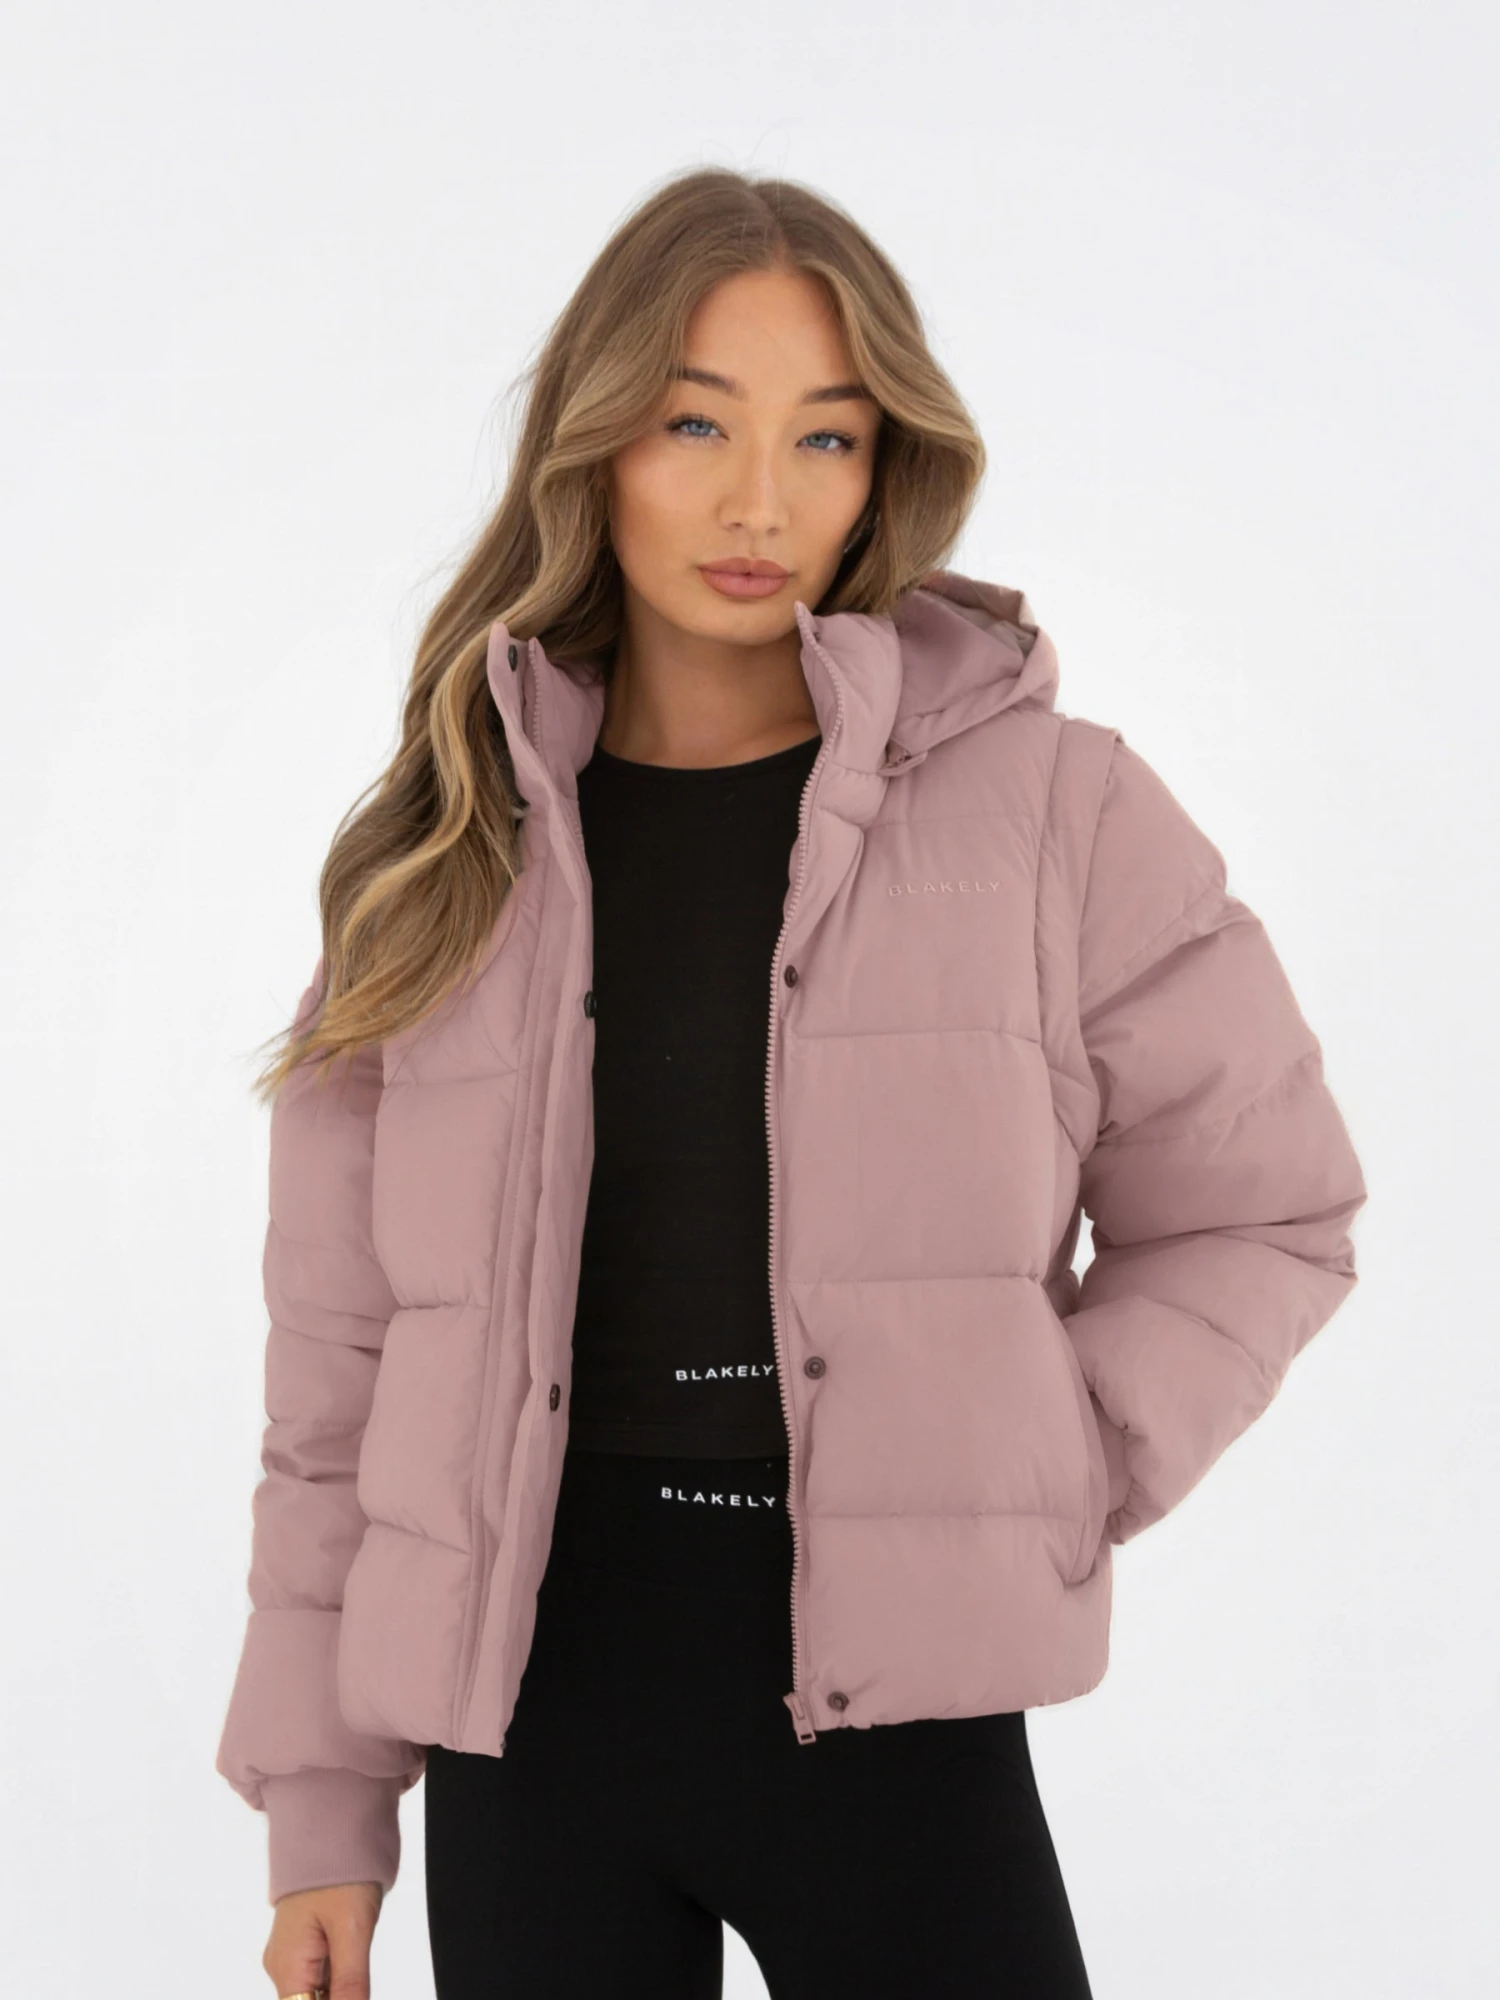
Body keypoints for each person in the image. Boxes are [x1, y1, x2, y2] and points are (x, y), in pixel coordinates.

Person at [216, 167, 1367, 2000]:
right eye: (696, 423)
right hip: (529, 1728)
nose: (761, 500)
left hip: (895, 1732)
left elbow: (1266, 1211)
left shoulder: (1056, 810)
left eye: (825, 436)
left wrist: (1044, 1457)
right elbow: (338, 1383)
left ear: (884, 469)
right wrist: (324, 1817)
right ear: (592, 443)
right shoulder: (451, 853)